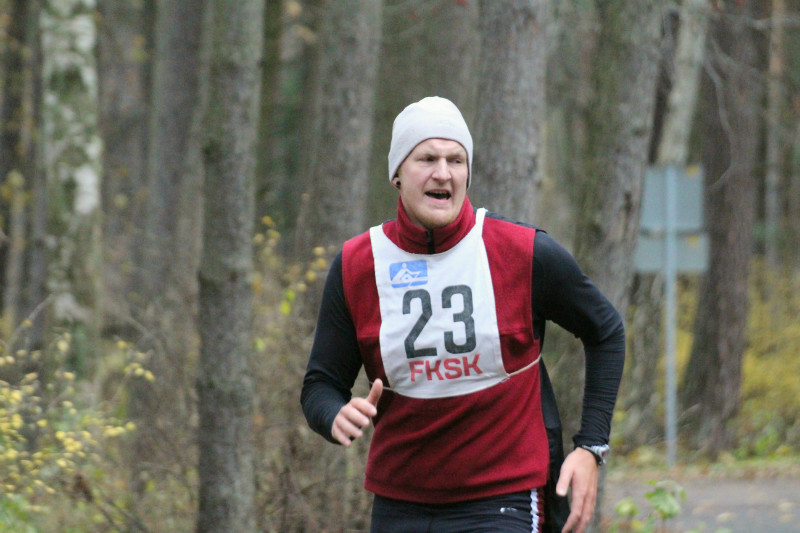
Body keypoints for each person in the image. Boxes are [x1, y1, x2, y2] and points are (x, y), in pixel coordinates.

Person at [301, 96, 625, 533]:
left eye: (456, 160)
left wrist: (591, 447)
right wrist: (334, 415)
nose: (443, 173)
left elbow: (606, 331)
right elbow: (320, 385)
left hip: (503, 499)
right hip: (399, 503)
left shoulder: (522, 251)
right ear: (397, 174)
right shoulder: (359, 264)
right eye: (427, 159)